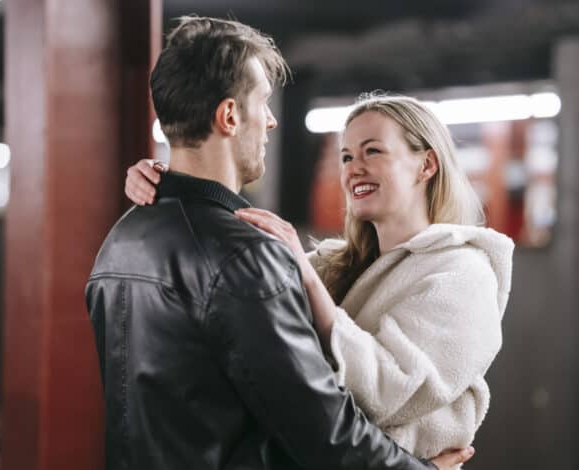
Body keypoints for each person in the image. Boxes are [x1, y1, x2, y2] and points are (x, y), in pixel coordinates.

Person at [88, 15, 473, 470]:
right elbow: (324, 433)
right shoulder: (246, 258)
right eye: (263, 103)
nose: (271, 122)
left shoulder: (120, 240)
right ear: (230, 116)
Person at [125, 94, 513, 463]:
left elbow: (389, 387)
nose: (353, 167)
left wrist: (307, 279)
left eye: (372, 151)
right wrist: (168, 183)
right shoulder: (334, 264)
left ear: (426, 165)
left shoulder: (464, 274)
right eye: (346, 156)